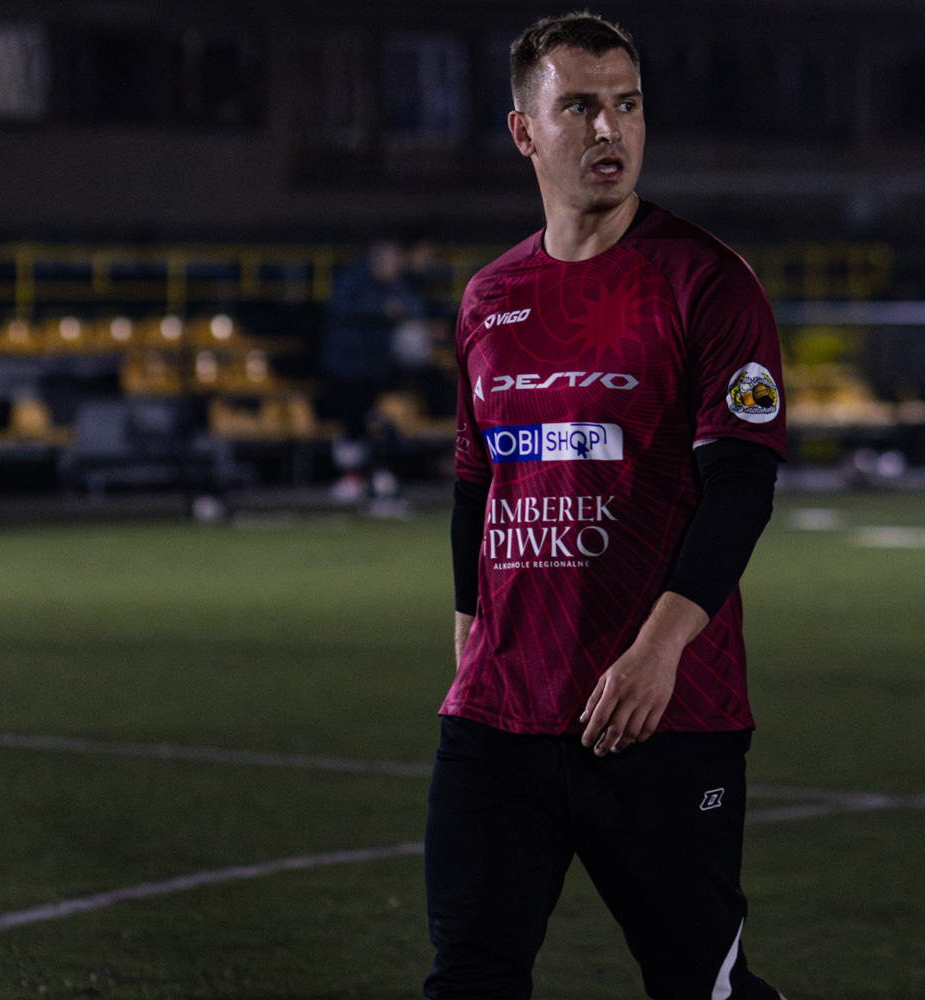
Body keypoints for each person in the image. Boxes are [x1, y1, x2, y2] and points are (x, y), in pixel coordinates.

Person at [426, 13, 788, 1000]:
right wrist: (469, 629)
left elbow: (742, 485)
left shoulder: (705, 282)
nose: (608, 129)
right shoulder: (490, 298)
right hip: (502, 714)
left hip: (663, 713)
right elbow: (475, 480)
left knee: (699, 986)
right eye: (579, 106)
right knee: (467, 980)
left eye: (626, 105)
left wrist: (658, 651)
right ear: (524, 131)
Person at [321, 240, 419, 501]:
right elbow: (341, 308)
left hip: (374, 368)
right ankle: (351, 477)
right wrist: (380, 310)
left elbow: (412, 305)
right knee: (350, 423)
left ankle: (370, 476)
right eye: (392, 264)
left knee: (370, 423)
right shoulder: (353, 281)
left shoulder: (394, 285)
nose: (396, 269)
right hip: (346, 367)